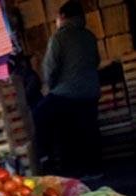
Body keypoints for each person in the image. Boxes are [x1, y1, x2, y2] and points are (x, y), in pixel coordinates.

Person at [33, 0, 100, 177]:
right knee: (86, 129)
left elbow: (50, 68)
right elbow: (96, 61)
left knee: (39, 114)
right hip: (91, 93)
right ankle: (93, 169)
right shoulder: (89, 36)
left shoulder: (59, 37)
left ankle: (46, 160)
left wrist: (50, 86)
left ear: (62, 17)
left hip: (67, 93)